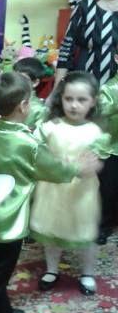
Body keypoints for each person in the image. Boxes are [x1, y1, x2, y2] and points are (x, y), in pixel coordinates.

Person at [0, 72, 101, 313]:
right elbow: (53, 169)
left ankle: (0, 309)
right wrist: (78, 169)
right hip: (10, 218)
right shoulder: (27, 143)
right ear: (24, 106)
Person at [30, 71, 117, 295]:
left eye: (81, 100)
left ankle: (87, 273)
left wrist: (92, 167)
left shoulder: (96, 132)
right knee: (52, 230)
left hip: (82, 192)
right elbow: (38, 152)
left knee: (84, 232)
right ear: (61, 99)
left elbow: (98, 162)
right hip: (53, 191)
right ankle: (52, 269)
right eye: (69, 99)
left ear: (93, 102)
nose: (74, 105)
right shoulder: (50, 127)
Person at [56, 0, 118, 244]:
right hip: (83, 92)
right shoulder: (85, 6)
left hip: (115, 96)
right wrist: (58, 87)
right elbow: (68, 45)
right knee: (79, 151)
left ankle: (102, 222)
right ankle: (73, 214)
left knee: (109, 159)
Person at [13, 57, 48, 130]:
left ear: (35, 83)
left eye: (23, 79)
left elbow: (39, 134)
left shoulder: (39, 109)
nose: (17, 82)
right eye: (15, 77)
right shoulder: (8, 97)